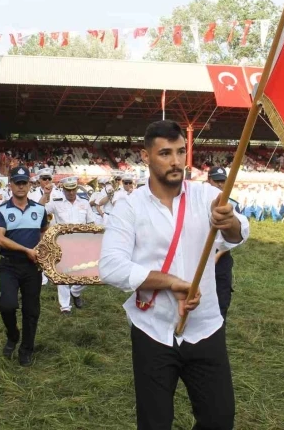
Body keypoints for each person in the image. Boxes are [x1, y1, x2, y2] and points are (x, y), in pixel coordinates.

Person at [100, 120, 249, 430]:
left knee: (219, 419)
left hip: (205, 327)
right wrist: (170, 282)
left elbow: (239, 234)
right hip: (152, 330)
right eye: (165, 153)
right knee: (154, 423)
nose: (176, 161)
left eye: (181, 152)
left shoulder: (205, 196)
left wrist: (229, 221)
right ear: (145, 157)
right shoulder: (129, 208)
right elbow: (111, 266)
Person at [0, 166, 48, 367]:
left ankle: (26, 350)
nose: (21, 186)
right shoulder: (1, 211)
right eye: (17, 182)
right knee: (7, 304)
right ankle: (13, 334)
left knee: (31, 310)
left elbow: (44, 235)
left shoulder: (40, 210)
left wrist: (43, 254)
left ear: (30, 185)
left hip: (33, 267)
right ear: (11, 185)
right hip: (10, 265)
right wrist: (26, 250)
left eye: (24, 182)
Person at [45, 176, 96, 315]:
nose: (71, 193)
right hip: (63, 243)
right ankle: (65, 306)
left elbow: (91, 222)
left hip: (82, 242)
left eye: (73, 189)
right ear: (63, 189)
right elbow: (40, 211)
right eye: (68, 190)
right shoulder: (56, 203)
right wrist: (46, 194)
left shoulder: (84, 203)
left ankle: (75, 292)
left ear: (76, 188)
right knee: (63, 274)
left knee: (88, 272)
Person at [207, 167, 241, 319]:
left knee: (221, 304)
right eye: (216, 181)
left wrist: (219, 254)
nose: (220, 185)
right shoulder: (197, 202)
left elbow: (237, 236)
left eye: (223, 181)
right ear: (209, 180)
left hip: (221, 263)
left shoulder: (232, 205)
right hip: (199, 258)